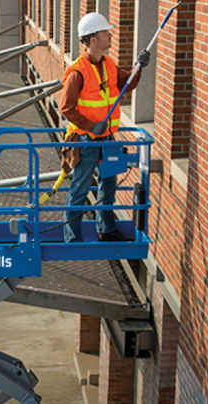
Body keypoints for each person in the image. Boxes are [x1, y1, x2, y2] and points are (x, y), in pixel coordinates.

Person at [60, 12, 150, 242]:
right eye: (105, 32)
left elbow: (125, 84)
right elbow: (66, 108)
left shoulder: (108, 64)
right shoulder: (77, 72)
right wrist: (91, 126)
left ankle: (106, 230)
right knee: (80, 189)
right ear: (93, 39)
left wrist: (139, 67)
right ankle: (72, 238)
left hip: (107, 139)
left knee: (108, 185)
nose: (110, 35)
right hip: (86, 140)